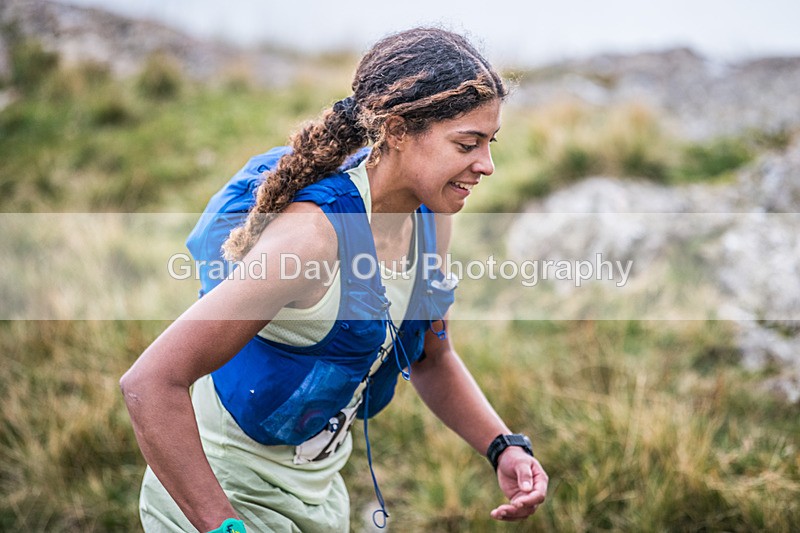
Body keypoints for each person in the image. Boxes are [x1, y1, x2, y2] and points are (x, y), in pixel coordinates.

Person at [120, 27, 548, 532]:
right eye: (467, 144)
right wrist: (223, 526)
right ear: (396, 130)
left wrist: (502, 448)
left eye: (490, 142)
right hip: (219, 497)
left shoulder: (433, 216)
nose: (487, 165)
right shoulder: (311, 239)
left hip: (319, 500)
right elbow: (149, 383)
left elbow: (433, 358)